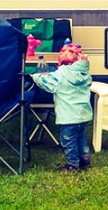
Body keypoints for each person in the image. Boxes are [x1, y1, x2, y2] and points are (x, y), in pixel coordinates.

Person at [31, 43, 93, 171]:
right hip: (83, 115)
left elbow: (46, 83)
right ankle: (85, 158)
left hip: (68, 117)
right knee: (81, 137)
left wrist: (35, 77)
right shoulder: (85, 75)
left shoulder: (61, 75)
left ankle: (73, 164)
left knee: (68, 142)